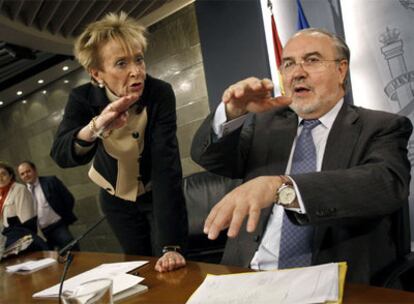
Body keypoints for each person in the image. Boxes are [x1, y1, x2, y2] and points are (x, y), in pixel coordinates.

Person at [191, 28, 412, 284]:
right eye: (289, 64)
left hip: (332, 282)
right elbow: (206, 156)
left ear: (341, 70)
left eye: (312, 60)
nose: (297, 72)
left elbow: (384, 185)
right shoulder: (265, 125)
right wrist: (232, 112)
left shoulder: (381, 126)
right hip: (248, 276)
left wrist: (282, 188)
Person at [50, 12, 187, 272]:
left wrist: (171, 246)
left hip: (157, 193)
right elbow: (60, 153)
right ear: (97, 74)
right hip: (115, 198)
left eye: (139, 59)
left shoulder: (160, 93)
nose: (136, 71)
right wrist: (96, 127)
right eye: (121, 63)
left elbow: (166, 166)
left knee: (171, 264)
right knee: (139, 267)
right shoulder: (81, 98)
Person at [17, 161, 78, 251]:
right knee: (50, 259)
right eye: (22, 174)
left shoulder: (50, 181)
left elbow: (68, 199)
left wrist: (64, 218)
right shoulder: (22, 192)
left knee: (71, 249)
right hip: (40, 233)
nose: (26, 175)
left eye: (28, 171)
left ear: (35, 170)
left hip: (57, 226)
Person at [0, 162, 48, 253]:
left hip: (28, 242)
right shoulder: (1, 196)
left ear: (10, 176)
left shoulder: (19, 189)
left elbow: (27, 221)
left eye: (3, 174)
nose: (0, 178)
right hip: (12, 244)